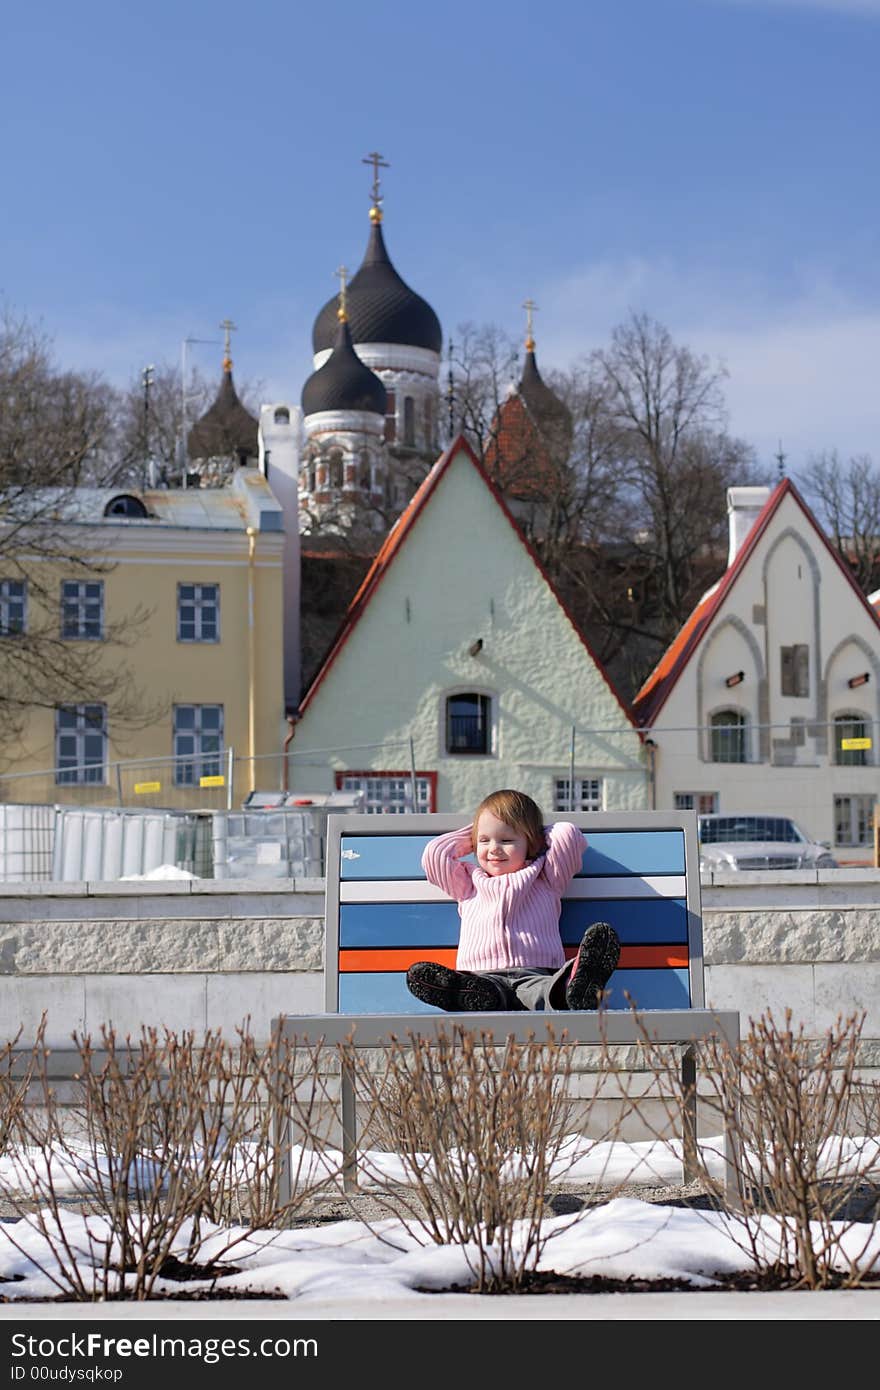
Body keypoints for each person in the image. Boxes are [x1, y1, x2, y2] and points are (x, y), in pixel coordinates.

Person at [405, 789, 620, 1013]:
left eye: (506, 840)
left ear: (532, 843)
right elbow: (434, 855)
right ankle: (463, 994)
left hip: (536, 973)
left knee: (547, 993)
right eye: (484, 841)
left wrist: (533, 833)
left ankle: (574, 988)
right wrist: (476, 830)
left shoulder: (546, 877)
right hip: (482, 978)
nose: (494, 848)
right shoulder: (468, 885)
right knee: (486, 993)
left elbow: (568, 836)